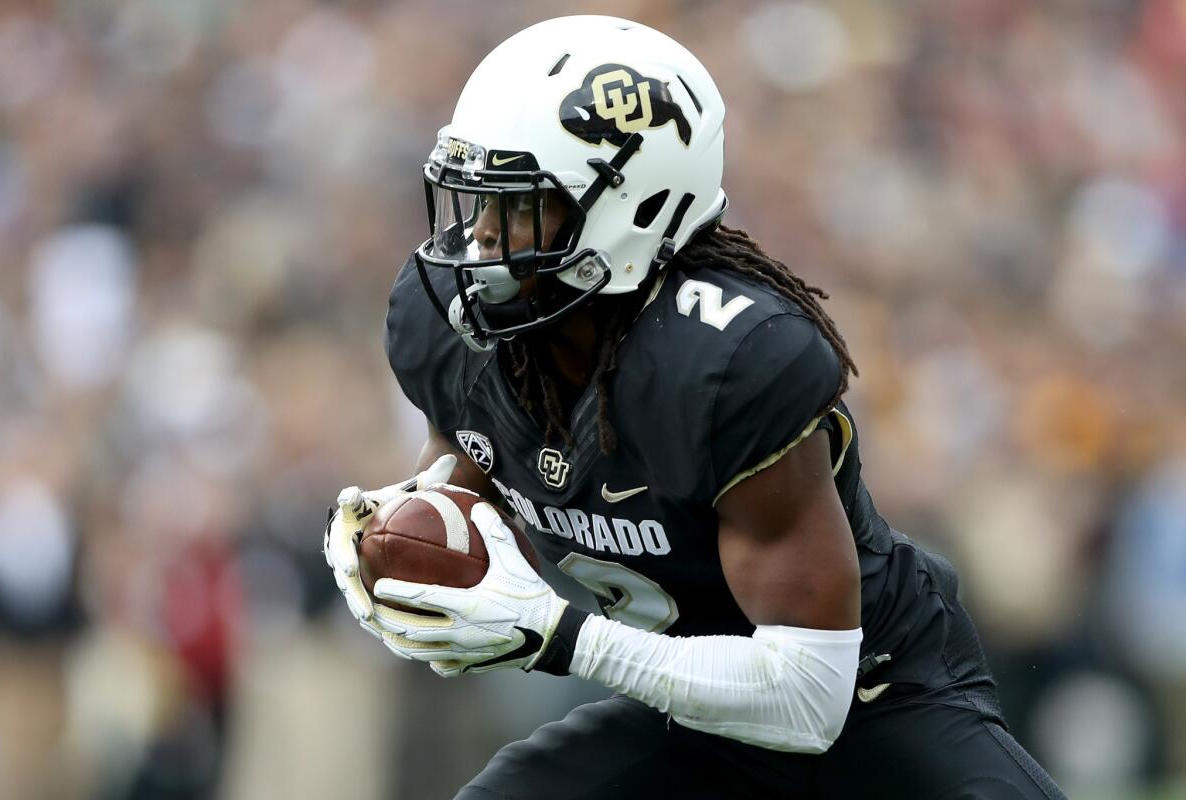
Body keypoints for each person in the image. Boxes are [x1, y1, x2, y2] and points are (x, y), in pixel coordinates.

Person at [324, 15, 1066, 799]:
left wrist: (558, 635)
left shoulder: (727, 363)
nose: (478, 242)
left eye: (518, 206)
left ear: (631, 209)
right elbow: (465, 488)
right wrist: (400, 550)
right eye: (476, 202)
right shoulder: (453, 334)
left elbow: (805, 695)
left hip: (873, 704)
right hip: (690, 717)